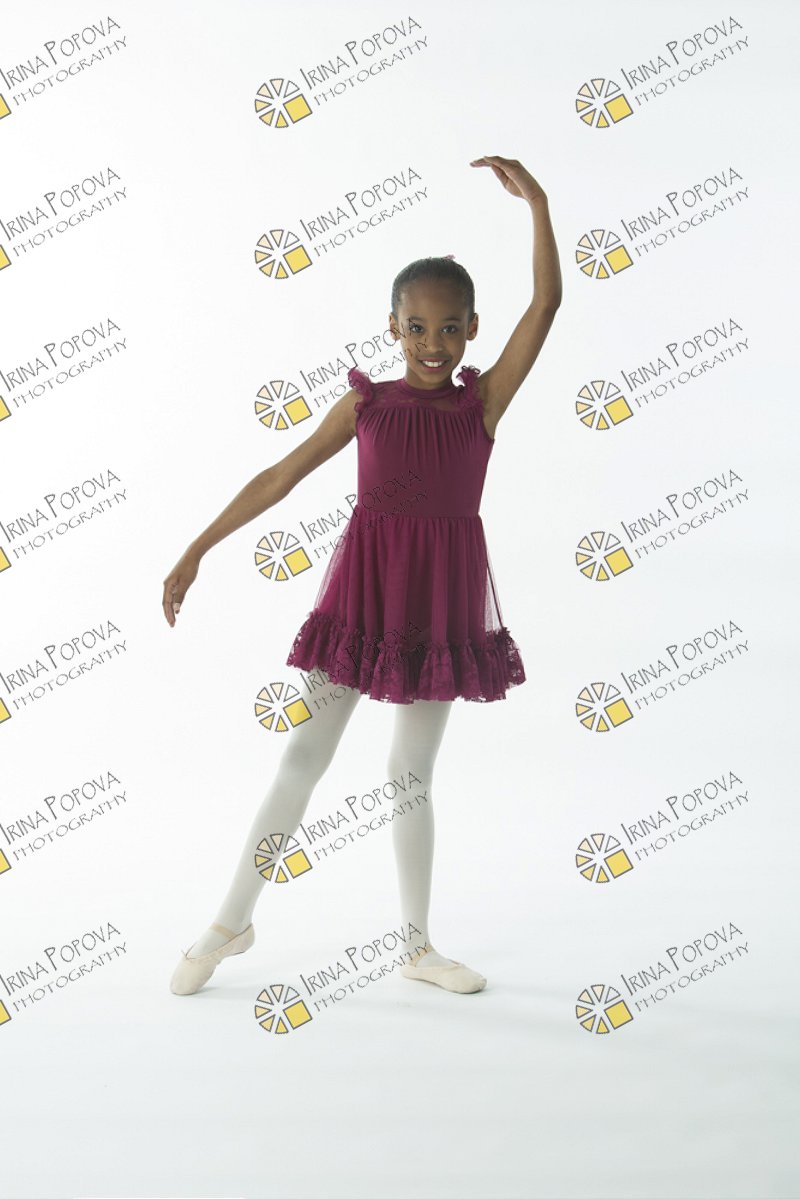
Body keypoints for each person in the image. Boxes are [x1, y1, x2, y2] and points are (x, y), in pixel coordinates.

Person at [162, 156, 562, 998]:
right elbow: (280, 475)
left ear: (472, 330)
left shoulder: (482, 405)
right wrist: (199, 546)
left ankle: (417, 945)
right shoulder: (365, 406)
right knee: (303, 756)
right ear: (392, 327)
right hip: (364, 598)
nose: (432, 344)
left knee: (410, 775)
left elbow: (547, 304)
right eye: (416, 327)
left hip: (441, 603)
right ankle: (230, 920)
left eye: (449, 328)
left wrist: (539, 204)